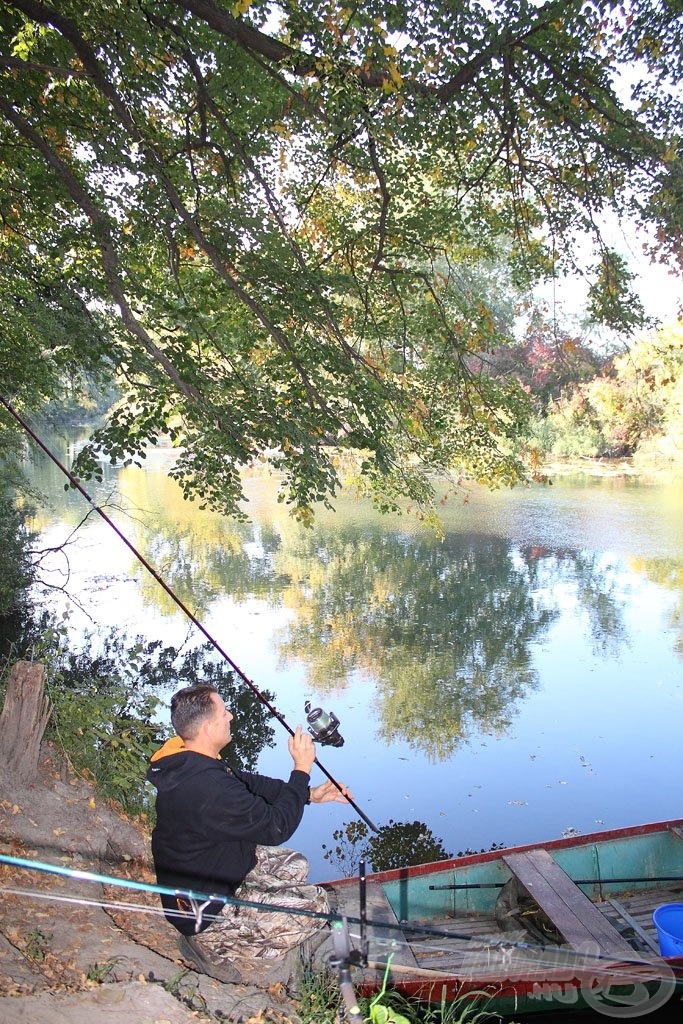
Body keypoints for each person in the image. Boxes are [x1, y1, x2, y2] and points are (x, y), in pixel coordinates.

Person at [146, 683, 351, 987]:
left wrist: (309, 794)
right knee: (316, 906)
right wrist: (301, 769)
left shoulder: (188, 757)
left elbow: (251, 785)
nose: (230, 716)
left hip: (213, 868)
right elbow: (276, 827)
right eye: (224, 712)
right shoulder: (205, 787)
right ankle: (207, 945)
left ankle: (250, 913)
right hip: (203, 911)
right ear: (207, 727)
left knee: (296, 863)